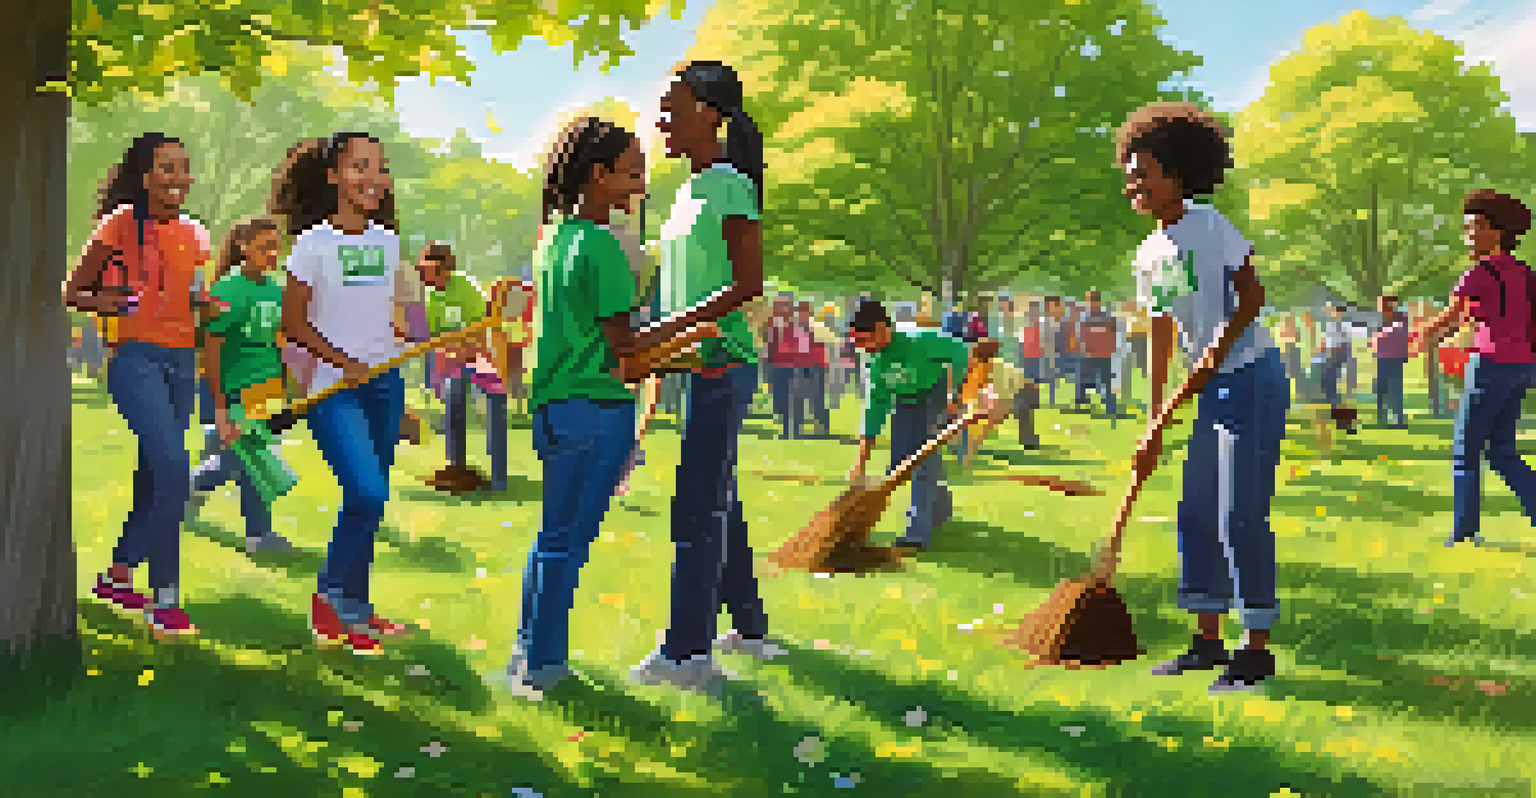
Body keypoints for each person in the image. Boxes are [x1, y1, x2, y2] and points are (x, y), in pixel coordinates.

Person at [510, 117, 700, 693]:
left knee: (552, 538)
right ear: (598, 175)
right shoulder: (601, 246)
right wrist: (690, 340)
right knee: (568, 541)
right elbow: (626, 345)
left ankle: (528, 654)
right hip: (595, 407)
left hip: (555, 403)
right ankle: (544, 668)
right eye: (632, 171)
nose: (642, 183)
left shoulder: (556, 236)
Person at [1120, 101, 1289, 693]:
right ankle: (1207, 640)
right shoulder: (1151, 252)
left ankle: (1256, 647)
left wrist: (1214, 358)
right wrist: (1154, 419)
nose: (1133, 182)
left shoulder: (1207, 224)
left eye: (1144, 171)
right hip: (1211, 386)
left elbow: (1250, 298)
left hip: (1251, 377)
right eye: (1129, 172)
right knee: (1196, 513)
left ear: (1179, 172)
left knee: (1239, 513)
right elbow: (1163, 332)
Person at [630, 61, 783, 694]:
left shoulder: (728, 187)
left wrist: (670, 331)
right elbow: (675, 287)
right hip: (694, 362)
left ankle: (687, 654)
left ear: (713, 116)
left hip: (723, 361)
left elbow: (749, 284)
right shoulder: (686, 192)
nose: (663, 118)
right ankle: (748, 628)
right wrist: (658, 350)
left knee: (698, 506)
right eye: (662, 107)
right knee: (720, 495)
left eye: (675, 106)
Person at [270, 132, 416, 654]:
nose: (372, 179)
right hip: (335, 391)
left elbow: (388, 314)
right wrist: (342, 362)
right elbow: (293, 322)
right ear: (333, 176)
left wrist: (404, 337)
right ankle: (329, 596)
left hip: (385, 384)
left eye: (379, 168)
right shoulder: (311, 245)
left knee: (370, 502)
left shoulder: (387, 241)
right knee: (366, 491)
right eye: (360, 167)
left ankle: (357, 607)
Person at [65, 132, 210, 638]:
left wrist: (206, 308)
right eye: (166, 169)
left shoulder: (196, 234)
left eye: (183, 169)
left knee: (155, 474)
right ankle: (165, 598)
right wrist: (108, 302)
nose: (178, 179)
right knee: (175, 473)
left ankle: (118, 575)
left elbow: (193, 296)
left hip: (181, 362)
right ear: (145, 177)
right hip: (136, 360)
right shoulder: (122, 223)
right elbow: (74, 290)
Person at [1410, 191, 1536, 547]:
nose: (1467, 236)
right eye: (1466, 229)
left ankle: (1463, 534)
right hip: (1522, 366)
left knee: (1466, 453)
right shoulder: (1525, 273)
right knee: (1502, 451)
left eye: (1475, 228)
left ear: (1497, 232)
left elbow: (1449, 319)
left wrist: (1421, 335)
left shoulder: (1478, 273)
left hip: (1490, 365)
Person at [185, 217, 297, 553]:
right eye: (265, 247)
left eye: (276, 247)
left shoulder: (276, 290)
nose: (272, 254)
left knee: (252, 460)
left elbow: (280, 345)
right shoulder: (227, 291)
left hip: (267, 392)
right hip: (235, 391)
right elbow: (212, 353)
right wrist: (220, 406)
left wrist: (286, 388)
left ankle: (255, 532)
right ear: (243, 247)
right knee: (247, 459)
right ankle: (257, 534)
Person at [847, 300, 971, 549]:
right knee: (899, 462)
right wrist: (860, 462)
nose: (860, 348)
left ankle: (916, 534)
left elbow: (960, 353)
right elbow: (875, 407)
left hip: (933, 395)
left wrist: (953, 394)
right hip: (905, 400)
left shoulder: (920, 339)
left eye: (863, 340)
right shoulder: (874, 361)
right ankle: (941, 505)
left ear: (882, 329)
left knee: (923, 461)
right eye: (856, 342)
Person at [416, 242, 493, 495]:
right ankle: (456, 465)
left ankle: (492, 468)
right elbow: (434, 335)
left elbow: (483, 330)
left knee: (473, 401)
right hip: (452, 359)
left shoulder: (468, 288)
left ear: (441, 269)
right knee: (453, 402)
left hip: (479, 356)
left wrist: (465, 353)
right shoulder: (432, 296)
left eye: (425, 269)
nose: (421, 274)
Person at [1078, 290, 1120, 420]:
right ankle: (1082, 406)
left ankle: (1110, 408)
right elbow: (1082, 335)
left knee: (1106, 382)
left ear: (1098, 301)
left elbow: (1113, 333)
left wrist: (1112, 348)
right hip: (1090, 355)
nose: (1092, 304)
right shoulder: (1084, 317)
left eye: (1093, 301)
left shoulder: (1107, 317)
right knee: (1083, 381)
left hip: (1104, 355)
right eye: (1090, 301)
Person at [1372, 296, 1410, 429]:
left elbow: (1402, 336)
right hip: (1383, 357)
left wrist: (1405, 355)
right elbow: (1374, 338)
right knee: (1381, 388)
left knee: (1395, 389)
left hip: (1394, 357)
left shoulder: (1401, 318)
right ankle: (1381, 416)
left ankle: (1397, 420)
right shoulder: (1379, 319)